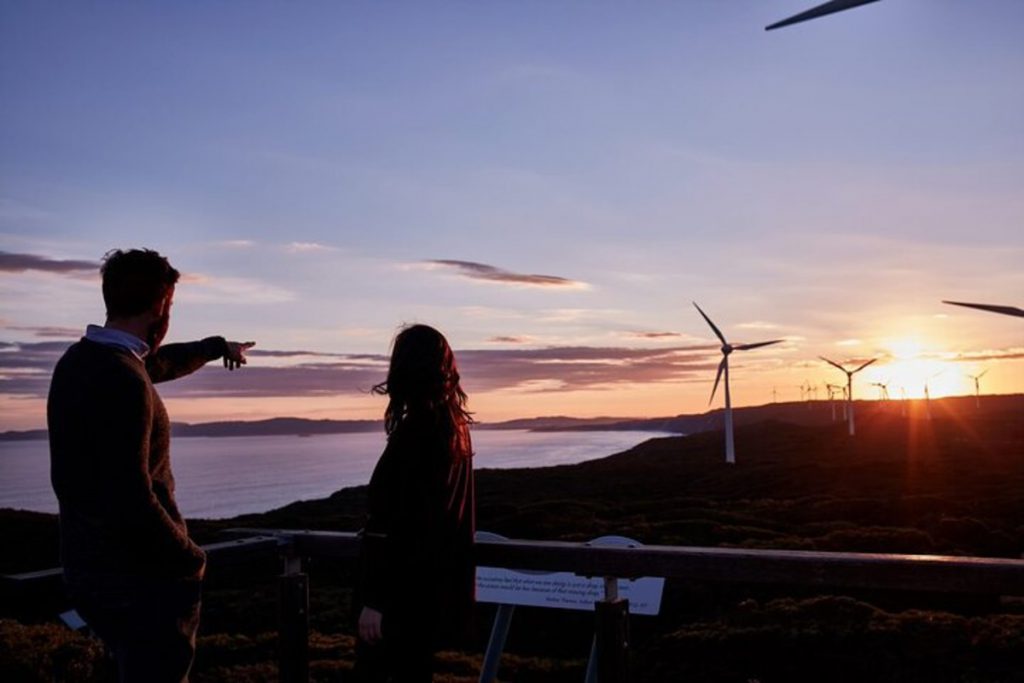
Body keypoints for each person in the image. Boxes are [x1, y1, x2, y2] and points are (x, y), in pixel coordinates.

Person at [47, 248, 254, 683]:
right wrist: (188, 558)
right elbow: (130, 496)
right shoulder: (123, 379)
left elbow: (155, 365)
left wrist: (216, 347)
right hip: (139, 581)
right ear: (160, 305)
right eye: (172, 305)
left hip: (91, 572)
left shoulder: (81, 361)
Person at [354, 324, 476, 682]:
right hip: (429, 595)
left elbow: (395, 520)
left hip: (396, 601)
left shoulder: (417, 432)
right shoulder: (455, 430)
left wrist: (375, 600)